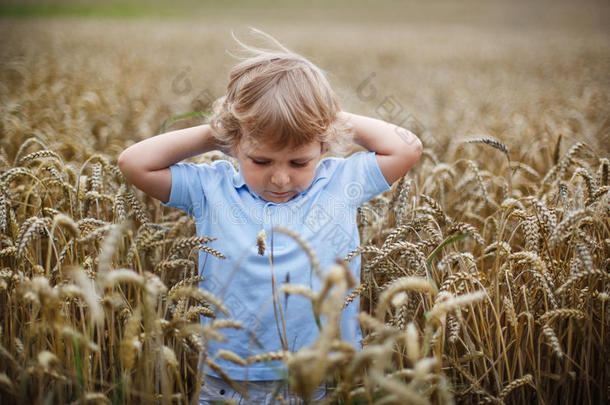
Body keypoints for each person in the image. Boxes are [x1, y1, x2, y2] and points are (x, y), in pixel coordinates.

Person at [117, 28, 422, 404]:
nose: (280, 178)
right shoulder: (212, 189)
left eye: (299, 161)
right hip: (228, 380)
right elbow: (134, 163)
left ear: (323, 144)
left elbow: (407, 148)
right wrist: (223, 130)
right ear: (234, 145)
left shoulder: (340, 183)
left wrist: (325, 117)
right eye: (260, 160)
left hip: (321, 377)